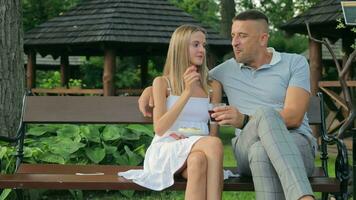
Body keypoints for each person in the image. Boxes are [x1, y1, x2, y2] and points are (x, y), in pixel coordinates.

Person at [138, 10, 317, 200]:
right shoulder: (225, 71)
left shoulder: (294, 63)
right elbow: (190, 80)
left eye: (242, 36)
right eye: (233, 36)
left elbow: (295, 116)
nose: (234, 42)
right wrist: (150, 89)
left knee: (262, 144)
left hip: (296, 143)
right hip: (246, 145)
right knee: (259, 136)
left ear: (263, 39)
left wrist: (245, 119)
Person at [119, 24, 224, 200]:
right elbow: (160, 128)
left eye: (203, 45)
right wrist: (186, 93)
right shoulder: (162, 83)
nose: (202, 50)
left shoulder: (213, 87)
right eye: (196, 44)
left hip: (200, 150)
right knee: (214, 143)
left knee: (198, 161)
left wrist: (195, 141)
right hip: (168, 147)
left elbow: (214, 130)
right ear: (181, 47)